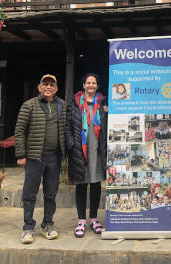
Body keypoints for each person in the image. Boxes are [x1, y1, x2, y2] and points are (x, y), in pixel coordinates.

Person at [15, 74, 66, 244]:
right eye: (45, 84)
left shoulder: (62, 105)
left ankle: (47, 225)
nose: (48, 87)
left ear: (56, 89)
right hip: (34, 157)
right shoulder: (29, 105)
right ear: (39, 87)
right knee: (30, 193)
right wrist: (21, 155)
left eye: (52, 85)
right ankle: (28, 227)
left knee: (51, 193)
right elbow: (20, 131)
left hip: (54, 157)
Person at [65, 73, 108, 238]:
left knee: (96, 183)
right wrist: (71, 145)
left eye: (94, 83)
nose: (91, 85)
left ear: (97, 86)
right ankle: (81, 220)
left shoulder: (104, 103)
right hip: (79, 150)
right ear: (83, 85)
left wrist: (108, 111)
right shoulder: (75, 104)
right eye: (88, 82)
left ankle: (94, 218)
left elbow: (109, 124)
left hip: (97, 149)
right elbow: (68, 126)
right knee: (81, 184)